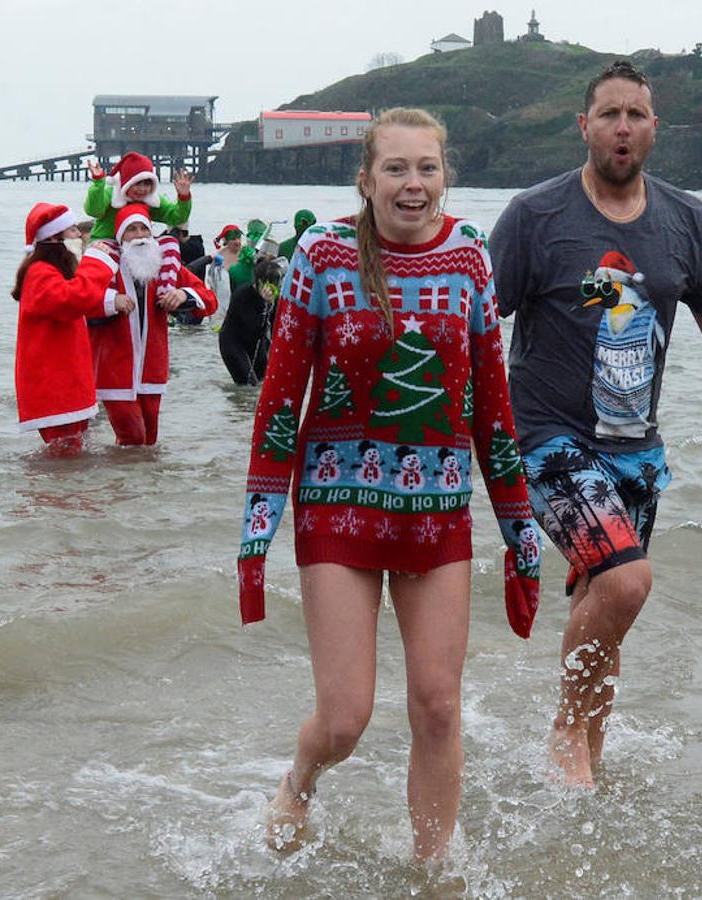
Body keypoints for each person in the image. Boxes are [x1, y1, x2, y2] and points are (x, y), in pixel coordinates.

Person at [238, 107, 542, 861]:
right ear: (366, 179)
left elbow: (492, 403)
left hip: (436, 511)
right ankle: (299, 779)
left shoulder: (470, 254)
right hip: (337, 507)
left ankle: (431, 869)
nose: (413, 184)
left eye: (427, 168)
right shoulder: (321, 253)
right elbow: (280, 398)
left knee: (438, 706)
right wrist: (256, 533)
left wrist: (518, 531)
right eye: (396, 169)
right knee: (344, 719)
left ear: (445, 175)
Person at [490, 60, 702, 789]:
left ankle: (584, 756)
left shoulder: (684, 216)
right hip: (545, 436)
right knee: (625, 581)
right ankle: (567, 729)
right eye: (608, 115)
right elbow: (476, 322)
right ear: (584, 126)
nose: (622, 127)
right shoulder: (535, 215)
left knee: (604, 598)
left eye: (635, 115)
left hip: (634, 448)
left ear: (653, 128)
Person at [12, 202, 136, 456]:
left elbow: (82, 301)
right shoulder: (40, 272)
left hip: (66, 381)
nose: (79, 235)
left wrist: (111, 301)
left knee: (70, 454)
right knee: (65, 455)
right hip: (55, 383)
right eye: (72, 231)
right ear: (54, 238)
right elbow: (74, 299)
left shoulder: (50, 271)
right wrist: (98, 262)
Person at [88, 203, 217, 445]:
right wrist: (110, 300)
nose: (139, 236)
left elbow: (210, 300)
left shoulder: (164, 266)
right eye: (131, 230)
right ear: (120, 236)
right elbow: (78, 300)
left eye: (144, 229)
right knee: (133, 437)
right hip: (114, 370)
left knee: (150, 440)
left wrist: (184, 295)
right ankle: (117, 481)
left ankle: (138, 482)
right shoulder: (103, 264)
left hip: (152, 369)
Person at [83, 152, 193, 241]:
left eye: (147, 184)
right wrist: (98, 183)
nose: (142, 189)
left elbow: (176, 218)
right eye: (137, 184)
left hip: (135, 245)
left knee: (169, 244)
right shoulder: (112, 194)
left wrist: (184, 197)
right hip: (106, 243)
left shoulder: (152, 200)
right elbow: (94, 211)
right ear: (127, 183)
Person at [217, 257, 282, 385]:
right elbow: (254, 327)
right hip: (233, 343)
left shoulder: (274, 299)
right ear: (258, 281)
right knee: (248, 385)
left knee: (265, 382)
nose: (272, 289)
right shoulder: (242, 295)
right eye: (269, 284)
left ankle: (252, 406)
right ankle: (240, 405)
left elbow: (276, 328)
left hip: (256, 344)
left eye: (276, 285)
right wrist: (265, 304)